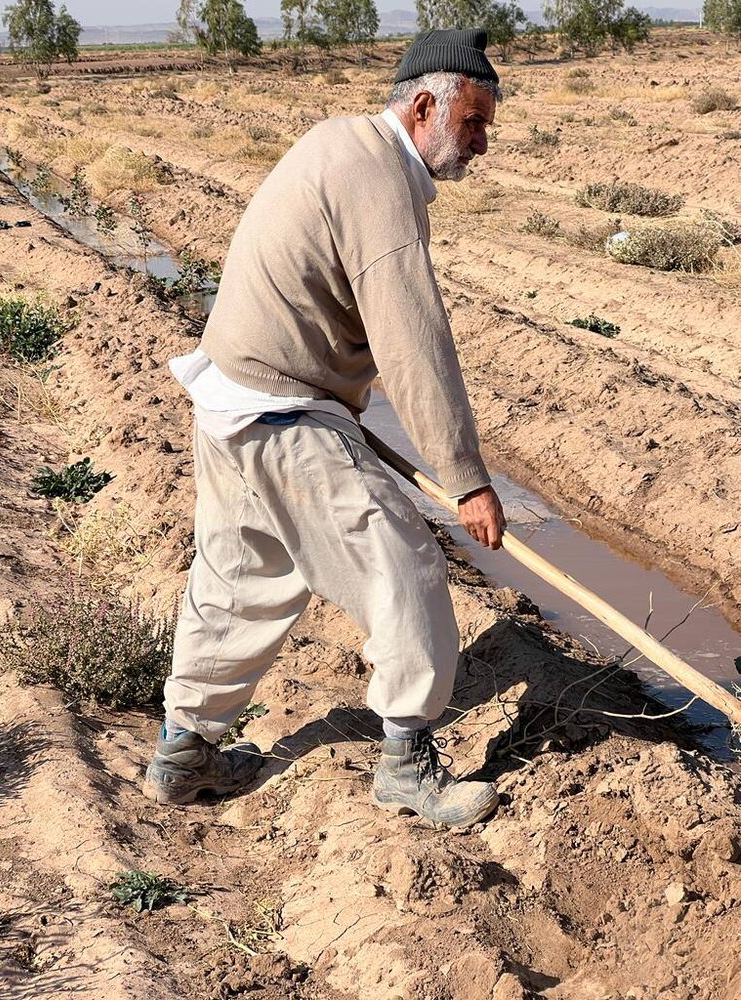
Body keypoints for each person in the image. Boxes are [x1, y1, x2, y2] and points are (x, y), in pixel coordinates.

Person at [143, 28, 507, 829]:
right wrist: (466, 477)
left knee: (241, 574)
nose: (483, 143)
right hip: (281, 409)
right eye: (474, 122)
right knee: (402, 559)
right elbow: (413, 338)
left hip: (233, 395)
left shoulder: (341, 143)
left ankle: (185, 749)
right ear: (424, 107)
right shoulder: (379, 180)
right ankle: (408, 764)